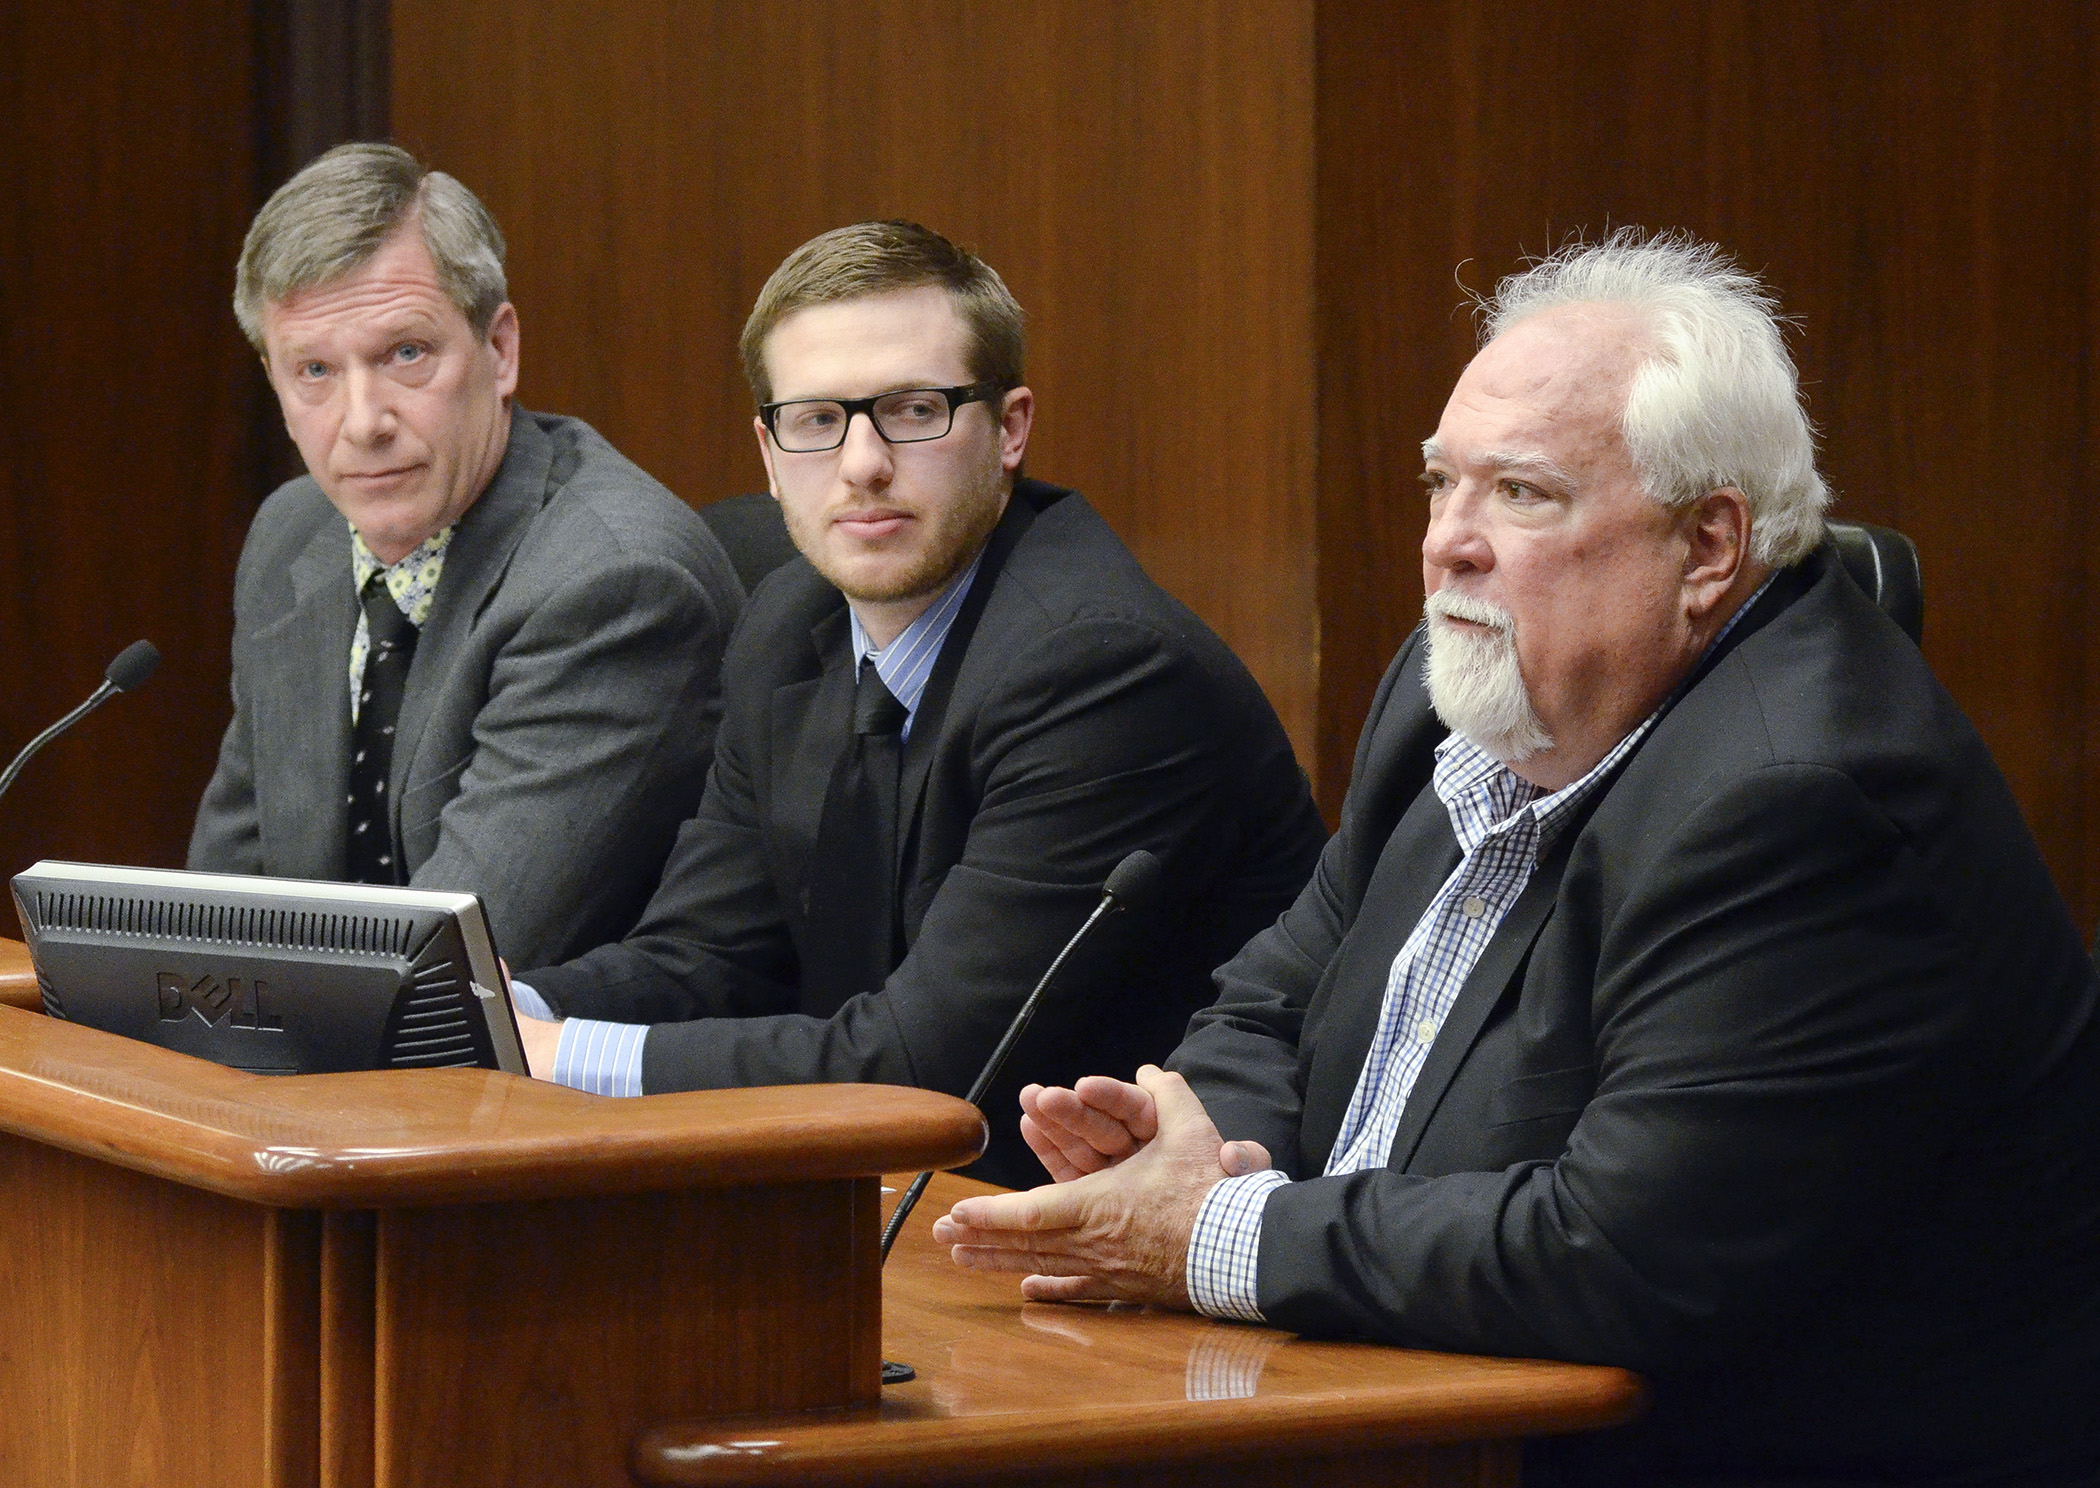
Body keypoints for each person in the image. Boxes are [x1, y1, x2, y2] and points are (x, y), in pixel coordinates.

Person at [935, 233, 2100, 1484]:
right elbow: (1279, 996)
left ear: (1709, 547)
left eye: (1522, 494)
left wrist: (1206, 1233)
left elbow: (1619, 1255)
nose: (1449, 544)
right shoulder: (1465, 689)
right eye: (1443, 485)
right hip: (1403, 1401)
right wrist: (1202, 1145)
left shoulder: (1806, 802)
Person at [509, 221, 1327, 1187]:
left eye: (911, 409)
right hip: (908, 1213)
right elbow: (707, 956)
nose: (861, 464)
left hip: (1113, 1231)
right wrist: (501, 1007)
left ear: (1010, 427)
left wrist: (552, 1060)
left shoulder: (1100, 667)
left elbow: (925, 1068)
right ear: (769, 454)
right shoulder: (789, 623)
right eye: (816, 420)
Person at [189, 144, 743, 969]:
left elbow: (455, 963)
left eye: (405, 354)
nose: (363, 419)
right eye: (315, 370)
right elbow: (221, 908)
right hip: (336, 1062)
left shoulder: (616, 582)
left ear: (499, 349)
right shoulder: (294, 532)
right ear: (273, 379)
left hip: (544, 1080)